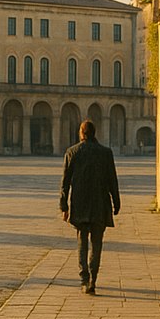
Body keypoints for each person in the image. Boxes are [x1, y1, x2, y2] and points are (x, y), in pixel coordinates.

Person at [59, 118, 121, 294]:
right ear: (95, 133)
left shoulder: (72, 152)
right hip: (100, 204)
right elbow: (112, 181)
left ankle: (84, 278)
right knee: (97, 243)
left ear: (81, 133)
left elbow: (65, 182)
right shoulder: (106, 153)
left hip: (80, 203)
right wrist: (116, 202)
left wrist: (64, 206)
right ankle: (93, 277)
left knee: (82, 241)